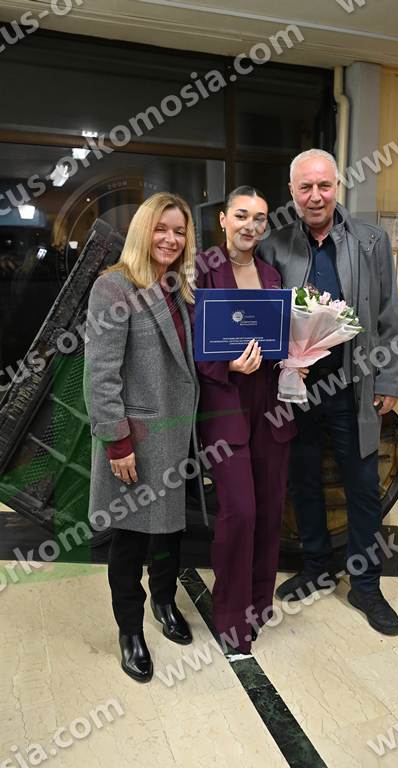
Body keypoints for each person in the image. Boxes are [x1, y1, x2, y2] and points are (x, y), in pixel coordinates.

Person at [257, 149, 398, 636]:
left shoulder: (370, 241)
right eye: (305, 187)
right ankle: (317, 568)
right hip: (295, 392)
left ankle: (366, 585)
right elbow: (265, 316)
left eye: (323, 185)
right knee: (303, 483)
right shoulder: (274, 245)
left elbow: (387, 315)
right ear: (292, 192)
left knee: (362, 487)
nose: (315, 195)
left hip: (352, 390)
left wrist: (388, 379)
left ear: (337, 186)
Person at [84, 192, 207, 682]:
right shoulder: (114, 287)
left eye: (179, 231)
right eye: (161, 228)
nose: (171, 239)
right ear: (142, 231)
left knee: (170, 532)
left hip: (176, 436)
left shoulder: (180, 287)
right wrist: (117, 443)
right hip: (136, 440)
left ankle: (164, 602)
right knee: (131, 541)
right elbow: (101, 375)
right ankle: (130, 631)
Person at [195, 186, 297, 655]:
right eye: (241, 215)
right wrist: (227, 365)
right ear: (223, 219)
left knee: (271, 511)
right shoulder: (200, 270)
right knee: (240, 512)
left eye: (259, 218)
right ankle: (232, 618)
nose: (250, 226)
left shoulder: (272, 276)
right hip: (225, 405)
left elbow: (279, 339)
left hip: (271, 407)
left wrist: (297, 360)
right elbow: (185, 341)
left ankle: (258, 605)